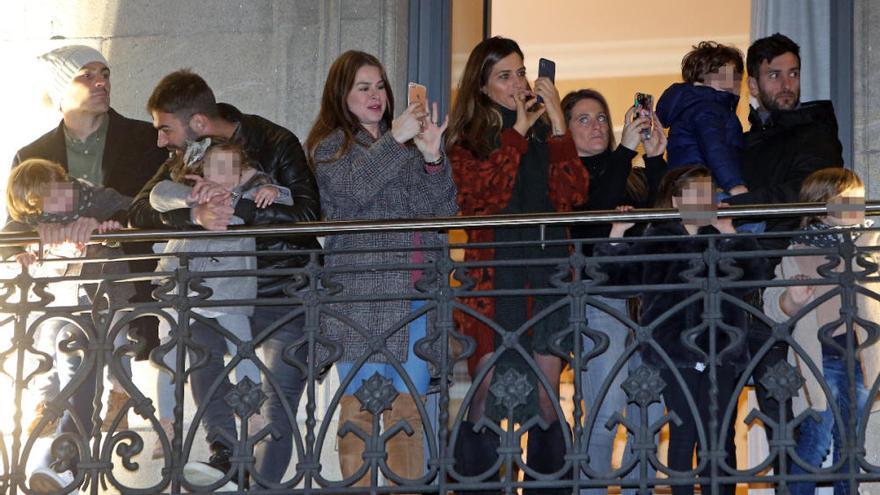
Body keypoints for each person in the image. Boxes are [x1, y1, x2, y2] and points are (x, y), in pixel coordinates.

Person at [129, 69, 320, 489]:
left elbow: (308, 217)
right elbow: (141, 210)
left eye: (166, 129)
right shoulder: (191, 156)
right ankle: (225, 457)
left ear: (197, 123)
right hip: (212, 290)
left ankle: (259, 485)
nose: (160, 140)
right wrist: (193, 216)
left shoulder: (274, 141)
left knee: (274, 406)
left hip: (279, 289)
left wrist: (241, 214)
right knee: (199, 356)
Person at [307, 50, 457, 489]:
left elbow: (444, 213)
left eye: (381, 86)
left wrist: (432, 158)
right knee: (363, 412)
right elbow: (352, 191)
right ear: (342, 94)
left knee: (409, 415)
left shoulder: (406, 149)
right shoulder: (331, 145)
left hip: (414, 297)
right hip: (364, 301)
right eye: (363, 87)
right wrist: (395, 139)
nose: (377, 95)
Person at [446, 36, 588, 493]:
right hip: (494, 272)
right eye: (504, 76)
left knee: (548, 396)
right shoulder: (467, 138)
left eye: (521, 72)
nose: (518, 83)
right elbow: (482, 198)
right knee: (485, 390)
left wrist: (559, 124)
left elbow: (572, 196)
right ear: (483, 87)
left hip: (547, 270)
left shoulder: (548, 132)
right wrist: (518, 133)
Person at [11, 44, 167, 438]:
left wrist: (103, 221)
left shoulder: (145, 140)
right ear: (61, 89)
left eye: (105, 73)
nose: (102, 82)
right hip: (64, 290)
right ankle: (61, 418)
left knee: (87, 342)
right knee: (66, 342)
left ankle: (88, 418)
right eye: (87, 75)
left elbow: (156, 207)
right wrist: (34, 239)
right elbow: (14, 227)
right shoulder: (32, 155)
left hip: (131, 284)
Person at [597, 166, 768, 495]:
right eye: (698, 193)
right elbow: (618, 279)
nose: (707, 201)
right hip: (674, 351)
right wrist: (617, 233)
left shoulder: (718, 239)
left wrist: (730, 231)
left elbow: (754, 277)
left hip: (722, 349)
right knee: (682, 432)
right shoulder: (659, 239)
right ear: (677, 200)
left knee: (719, 435)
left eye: (710, 194)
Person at [724, 33, 845, 453]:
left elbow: (811, 190)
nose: (786, 84)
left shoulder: (814, 131)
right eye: (774, 75)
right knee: (736, 421)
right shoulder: (741, 141)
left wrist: (733, 206)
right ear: (753, 86)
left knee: (798, 423)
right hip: (744, 287)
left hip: (792, 286)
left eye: (792, 74)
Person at [147, 137, 291, 458]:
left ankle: (251, 413)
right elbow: (158, 196)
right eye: (215, 168)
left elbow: (288, 198)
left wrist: (271, 190)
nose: (222, 175)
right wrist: (192, 198)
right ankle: (167, 424)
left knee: (244, 352)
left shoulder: (245, 196)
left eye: (230, 169)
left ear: (242, 173)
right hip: (180, 291)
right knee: (169, 360)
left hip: (229, 292)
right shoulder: (189, 193)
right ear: (201, 169)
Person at [560, 88, 666, 494]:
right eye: (583, 119)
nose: (597, 126)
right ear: (565, 130)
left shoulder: (632, 174)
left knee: (650, 414)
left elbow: (670, 212)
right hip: (599, 300)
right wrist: (625, 151)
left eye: (602, 117)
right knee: (604, 413)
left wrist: (655, 157)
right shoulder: (567, 175)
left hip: (647, 303)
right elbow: (590, 218)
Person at [3, 158, 131, 494]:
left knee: (77, 364)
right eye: (46, 202)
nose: (61, 201)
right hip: (65, 309)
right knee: (70, 371)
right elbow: (10, 233)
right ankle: (64, 463)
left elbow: (134, 212)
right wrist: (26, 245)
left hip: (104, 302)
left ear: (65, 178)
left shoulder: (93, 198)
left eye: (60, 189)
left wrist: (106, 226)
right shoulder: (34, 220)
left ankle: (65, 462)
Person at [762, 168, 880, 495]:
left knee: (851, 446)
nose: (857, 204)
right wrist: (791, 300)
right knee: (815, 439)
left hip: (861, 356)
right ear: (821, 206)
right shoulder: (800, 248)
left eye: (860, 197)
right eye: (847, 199)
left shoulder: (873, 241)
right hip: (819, 360)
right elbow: (771, 304)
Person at [655, 41, 747, 195]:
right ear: (699, 79)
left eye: (736, 76)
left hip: (690, 188)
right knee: (754, 218)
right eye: (725, 74)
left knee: (698, 219)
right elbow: (715, 148)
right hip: (704, 189)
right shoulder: (707, 108)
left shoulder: (694, 108)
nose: (733, 81)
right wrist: (734, 185)